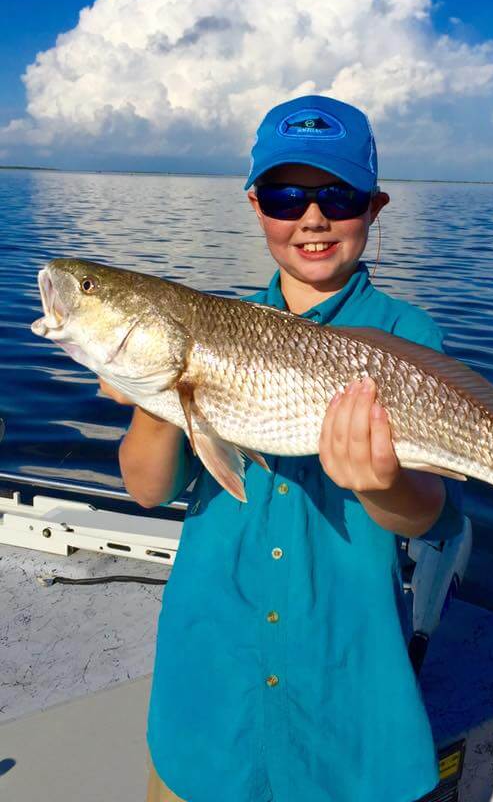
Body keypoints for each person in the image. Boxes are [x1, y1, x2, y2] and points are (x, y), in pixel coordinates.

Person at [103, 95, 464, 802]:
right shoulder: (210, 324)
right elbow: (148, 489)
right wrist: (157, 390)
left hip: (347, 693)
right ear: (256, 205)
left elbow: (427, 516)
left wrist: (380, 483)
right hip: (210, 690)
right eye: (285, 194)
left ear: (375, 206)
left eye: (339, 194)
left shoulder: (406, 336)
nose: (312, 216)